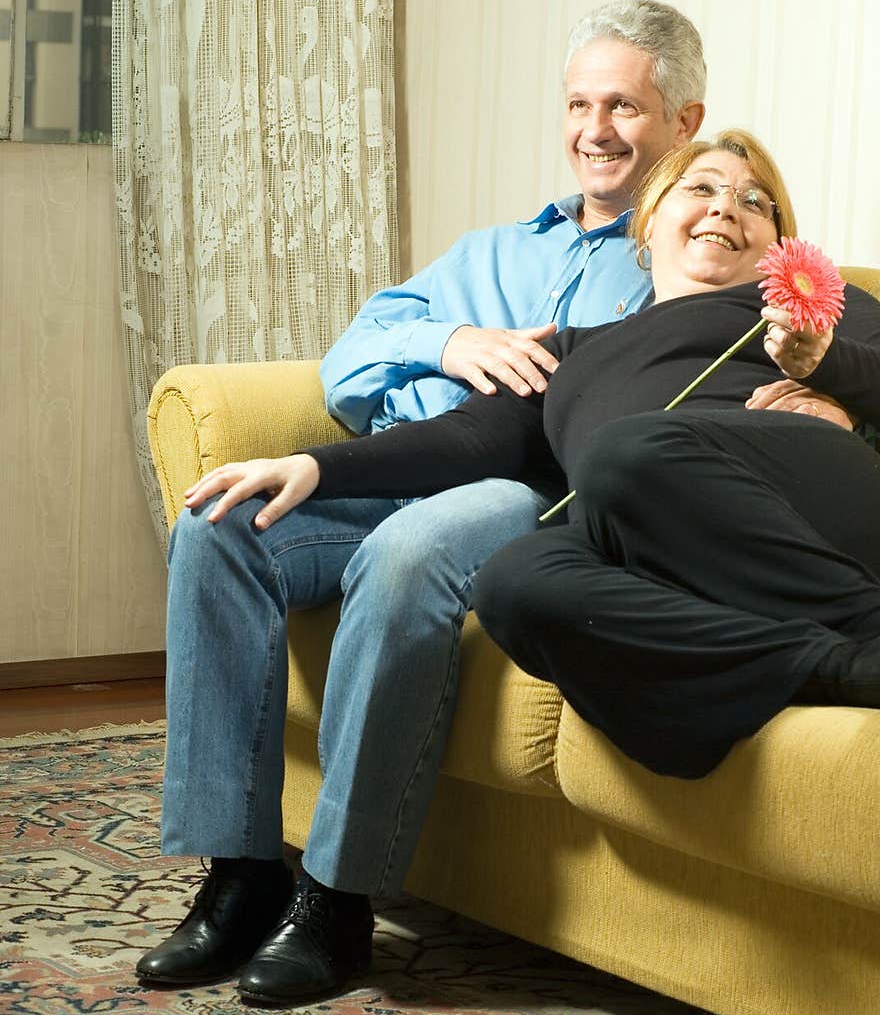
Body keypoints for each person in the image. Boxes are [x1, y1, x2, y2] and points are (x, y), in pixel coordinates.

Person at [137, 0, 709, 1004]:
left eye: (623, 105)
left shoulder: (682, 253)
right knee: (220, 523)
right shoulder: (489, 253)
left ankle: (336, 895)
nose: (593, 129)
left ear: (682, 122)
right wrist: (448, 342)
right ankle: (239, 874)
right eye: (578, 103)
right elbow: (353, 356)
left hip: (521, 493)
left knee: (406, 552)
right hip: (397, 465)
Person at [222, 130, 879, 791]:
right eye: (701, 188)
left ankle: (867, 624)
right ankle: (834, 665)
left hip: (806, 500)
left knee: (624, 451)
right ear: (647, 226)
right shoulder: (572, 350)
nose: (725, 207)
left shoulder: (822, 317)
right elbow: (468, 438)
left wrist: (832, 376)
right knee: (515, 579)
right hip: (660, 553)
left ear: (778, 247)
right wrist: (317, 465)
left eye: (754, 202)